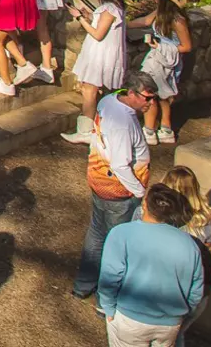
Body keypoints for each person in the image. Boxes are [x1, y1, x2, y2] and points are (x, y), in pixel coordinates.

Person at [74, 72, 157, 300]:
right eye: (147, 98)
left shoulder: (109, 101)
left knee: (96, 234)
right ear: (130, 93)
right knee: (117, 247)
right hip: (119, 192)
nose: (150, 103)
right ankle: (106, 298)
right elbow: (121, 164)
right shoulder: (124, 124)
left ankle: (83, 284)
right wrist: (139, 192)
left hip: (98, 180)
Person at [100, 182, 206, 346]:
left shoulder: (121, 234)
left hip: (129, 319)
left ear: (144, 205)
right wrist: (182, 313)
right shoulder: (189, 244)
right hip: (169, 324)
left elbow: (110, 277)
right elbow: (196, 287)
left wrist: (108, 307)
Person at [65, 0, 132, 140]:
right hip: (102, 53)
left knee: (89, 91)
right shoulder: (114, 5)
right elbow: (102, 26)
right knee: (91, 89)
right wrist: (89, 16)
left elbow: (98, 34)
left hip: (100, 56)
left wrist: (79, 17)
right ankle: (95, 128)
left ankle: (85, 132)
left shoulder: (109, 9)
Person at [137, 0, 194, 146]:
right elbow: (145, 22)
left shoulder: (177, 21)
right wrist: (123, 25)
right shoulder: (160, 13)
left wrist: (161, 47)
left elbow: (187, 46)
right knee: (157, 95)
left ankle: (152, 130)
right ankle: (163, 130)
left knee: (156, 95)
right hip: (157, 60)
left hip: (167, 62)